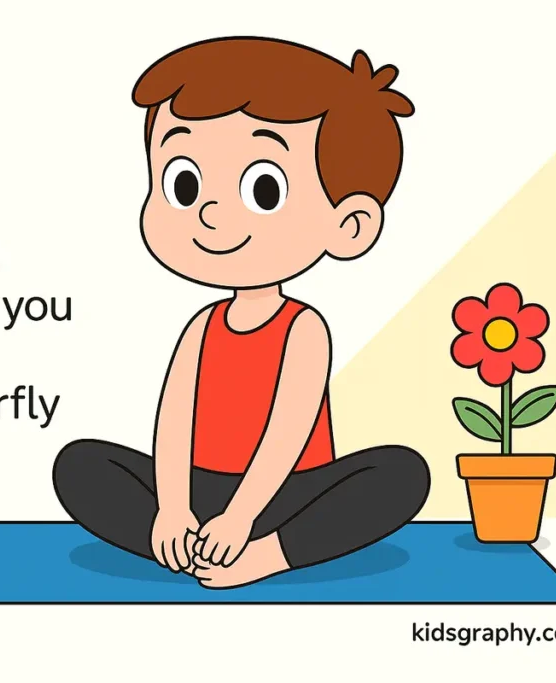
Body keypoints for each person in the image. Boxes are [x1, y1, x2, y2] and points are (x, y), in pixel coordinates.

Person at [53, 37, 430, 589]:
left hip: (284, 496)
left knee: (401, 474)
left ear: (348, 224)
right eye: (183, 183)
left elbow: (287, 432)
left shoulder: (303, 329)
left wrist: (241, 520)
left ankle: (270, 556)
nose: (209, 210)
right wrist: (174, 508)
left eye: (262, 189)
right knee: (80, 465)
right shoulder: (202, 328)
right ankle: (180, 546)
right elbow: (174, 423)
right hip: (200, 492)